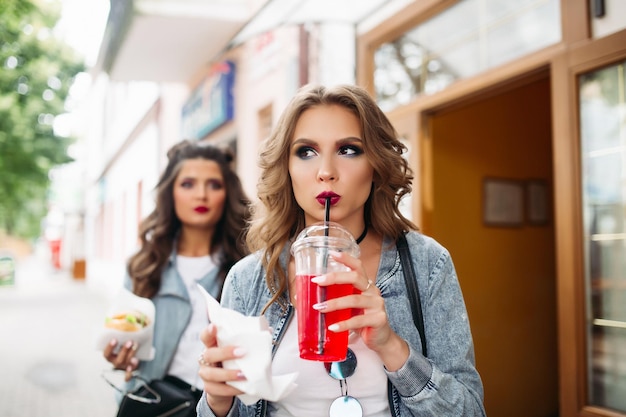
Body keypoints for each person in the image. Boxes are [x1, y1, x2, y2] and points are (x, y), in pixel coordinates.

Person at [196, 84, 486, 417]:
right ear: (286, 168)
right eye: (306, 151)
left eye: (348, 150)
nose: (326, 172)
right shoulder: (248, 279)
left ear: (375, 164)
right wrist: (217, 402)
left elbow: (470, 411)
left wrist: (391, 346)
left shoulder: (427, 264)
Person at [103, 140, 251, 413]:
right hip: (153, 406)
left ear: (227, 193)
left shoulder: (248, 268)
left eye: (214, 185)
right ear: (170, 193)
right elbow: (126, 339)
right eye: (188, 184)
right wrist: (120, 356)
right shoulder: (144, 265)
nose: (201, 195)